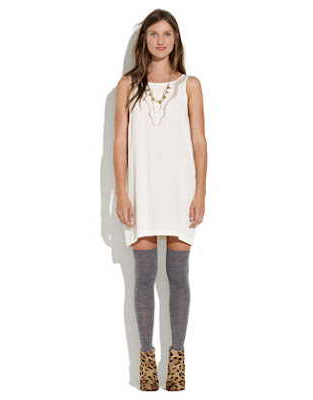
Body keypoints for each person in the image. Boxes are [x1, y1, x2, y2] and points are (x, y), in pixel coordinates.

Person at [113, 8, 207, 391]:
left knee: (178, 277)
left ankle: (177, 361)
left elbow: (199, 141)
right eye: (154, 33)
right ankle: (146, 363)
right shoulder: (127, 85)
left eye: (167, 33)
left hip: (180, 191)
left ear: (176, 39)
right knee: (144, 277)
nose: (161, 40)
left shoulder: (190, 85)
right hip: (143, 193)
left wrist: (200, 191)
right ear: (145, 39)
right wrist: (122, 192)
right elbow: (119, 143)